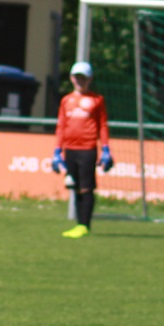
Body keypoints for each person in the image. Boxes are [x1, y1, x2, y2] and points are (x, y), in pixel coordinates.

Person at [51, 61, 112, 238]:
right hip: (70, 149)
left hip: (87, 148)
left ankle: (84, 225)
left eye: (83, 78)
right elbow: (61, 126)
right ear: (71, 78)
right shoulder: (66, 101)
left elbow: (103, 125)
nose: (80, 81)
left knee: (86, 187)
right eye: (77, 77)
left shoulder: (96, 100)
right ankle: (79, 224)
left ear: (90, 79)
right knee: (74, 186)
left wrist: (106, 148)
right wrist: (57, 150)